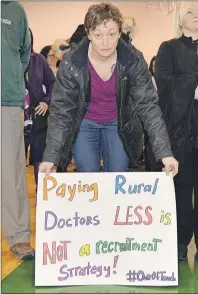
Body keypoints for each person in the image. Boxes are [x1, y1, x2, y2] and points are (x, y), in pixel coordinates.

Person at [40, 3, 178, 178]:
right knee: (88, 176)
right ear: (88, 34)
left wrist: (165, 153)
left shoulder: (133, 60)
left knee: (117, 175)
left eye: (111, 34)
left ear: (120, 33)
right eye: (98, 35)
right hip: (84, 123)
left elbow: (148, 106)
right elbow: (61, 111)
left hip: (118, 123)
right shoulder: (71, 62)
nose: (105, 43)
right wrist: (51, 156)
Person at [151, 1, 198, 260]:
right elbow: (164, 85)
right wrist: (193, 87)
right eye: (190, 11)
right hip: (181, 130)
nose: (196, 16)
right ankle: (180, 241)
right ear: (179, 18)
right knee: (181, 187)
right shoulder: (169, 48)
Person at [1, 1, 34, 259]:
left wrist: (10, 76)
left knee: (12, 174)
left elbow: (24, 53)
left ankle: (19, 235)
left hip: (7, 101)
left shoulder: (16, 11)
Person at [24, 29, 55, 189]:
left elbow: (52, 83)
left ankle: (42, 193)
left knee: (39, 158)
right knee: (12, 163)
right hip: (15, 120)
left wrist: (46, 101)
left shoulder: (39, 60)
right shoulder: (7, 61)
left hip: (38, 117)